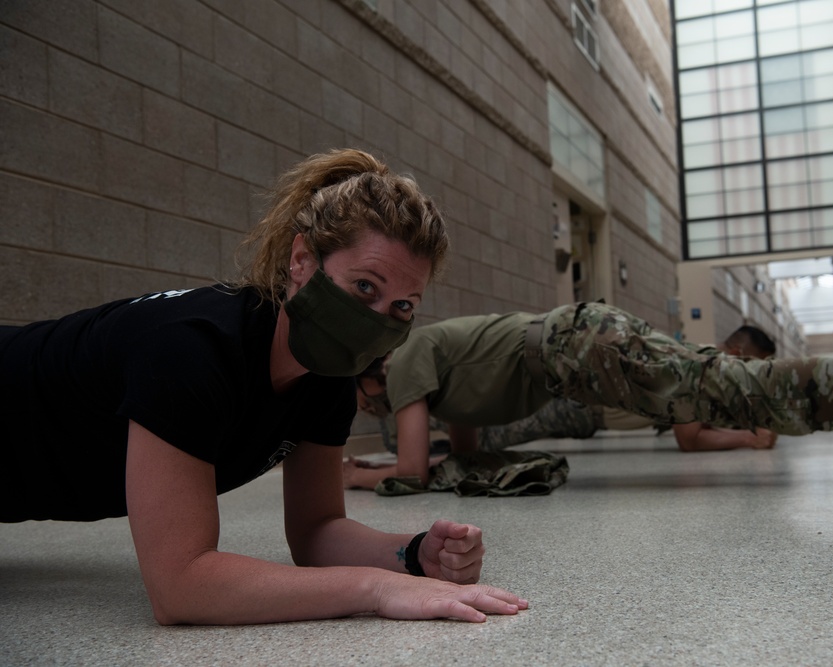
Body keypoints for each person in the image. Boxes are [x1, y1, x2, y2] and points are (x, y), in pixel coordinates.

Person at [0, 148, 527, 626]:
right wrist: (376, 589)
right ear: (301, 262)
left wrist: (412, 555)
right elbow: (180, 585)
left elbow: (317, 529)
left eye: (401, 307)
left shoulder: (326, 378)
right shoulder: (192, 350)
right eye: (363, 287)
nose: (377, 320)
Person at [344, 305, 833, 492]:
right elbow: (459, 456)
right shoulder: (436, 376)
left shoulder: (406, 359)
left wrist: (356, 477)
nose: (371, 411)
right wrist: (412, 468)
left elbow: (409, 470)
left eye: (362, 402)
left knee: (740, 392)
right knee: (737, 393)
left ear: (367, 376)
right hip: (579, 356)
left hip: (578, 348)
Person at [353, 324, 778, 457]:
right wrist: (747, 438)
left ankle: (413, 442)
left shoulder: (705, 364)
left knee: (493, 437)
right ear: (738, 352)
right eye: (754, 365)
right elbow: (689, 435)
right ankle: (409, 443)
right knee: (498, 436)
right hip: (578, 403)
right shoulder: (702, 362)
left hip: (584, 404)